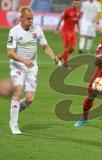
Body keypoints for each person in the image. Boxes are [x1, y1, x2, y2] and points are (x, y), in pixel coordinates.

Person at [7, 6, 59, 134]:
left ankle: (15, 110)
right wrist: (24, 61)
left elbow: (45, 47)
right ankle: (14, 125)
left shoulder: (37, 29)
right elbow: (10, 53)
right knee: (18, 92)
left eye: (32, 19)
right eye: (28, 19)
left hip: (32, 67)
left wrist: (53, 56)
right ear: (21, 19)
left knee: (29, 99)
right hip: (18, 65)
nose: (31, 21)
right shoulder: (14, 31)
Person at [55, 0, 81, 68]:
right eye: (74, 3)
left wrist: (79, 30)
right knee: (68, 48)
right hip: (65, 31)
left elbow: (77, 22)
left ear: (78, 5)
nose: (75, 5)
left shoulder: (78, 12)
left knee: (72, 49)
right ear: (72, 4)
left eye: (77, 4)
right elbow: (61, 19)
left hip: (72, 32)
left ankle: (60, 57)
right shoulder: (67, 11)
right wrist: (57, 30)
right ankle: (65, 64)